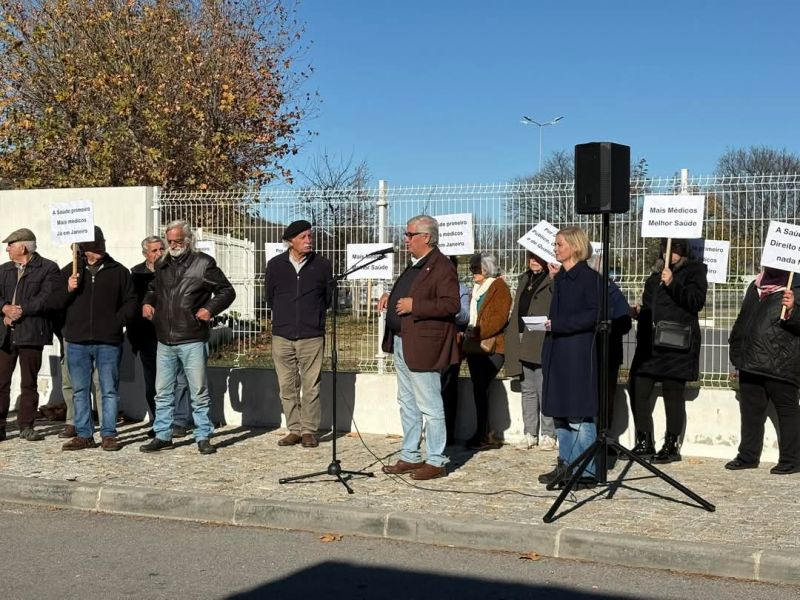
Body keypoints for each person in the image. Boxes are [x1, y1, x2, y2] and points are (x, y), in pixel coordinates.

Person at [140, 220, 235, 455]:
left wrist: (209, 309)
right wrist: (147, 302)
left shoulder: (204, 263)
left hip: (192, 336)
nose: (172, 245)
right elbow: (153, 288)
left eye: (177, 241)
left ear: (188, 240)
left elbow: (226, 291)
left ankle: (203, 435)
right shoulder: (162, 264)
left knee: (198, 391)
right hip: (165, 337)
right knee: (162, 391)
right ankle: (163, 434)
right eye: (169, 241)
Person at [379, 215, 460, 480]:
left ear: (426, 237)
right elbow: (410, 292)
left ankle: (436, 460)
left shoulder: (442, 266)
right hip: (403, 340)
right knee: (407, 402)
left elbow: (451, 305)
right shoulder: (414, 265)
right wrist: (390, 299)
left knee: (430, 404)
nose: (406, 239)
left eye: (410, 234)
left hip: (424, 345)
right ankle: (410, 455)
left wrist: (416, 307)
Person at [50, 226, 137, 451]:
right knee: (80, 390)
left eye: (101, 245)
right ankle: (84, 434)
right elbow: (55, 303)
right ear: (84, 249)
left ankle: (109, 434)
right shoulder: (69, 272)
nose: (99, 250)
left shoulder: (119, 271)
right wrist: (69, 288)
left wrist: (118, 321)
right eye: (94, 247)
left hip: (109, 341)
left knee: (108, 389)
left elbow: (131, 302)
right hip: (77, 341)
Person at [628, 239, 708, 463]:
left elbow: (695, 302)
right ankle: (644, 441)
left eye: (676, 250)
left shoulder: (695, 271)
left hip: (676, 344)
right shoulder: (655, 275)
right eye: (666, 249)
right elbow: (650, 306)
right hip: (650, 346)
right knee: (638, 390)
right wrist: (639, 312)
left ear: (684, 252)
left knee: (673, 395)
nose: (670, 254)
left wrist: (673, 283)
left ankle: (671, 445)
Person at [538, 227, 602, 488]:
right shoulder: (561, 278)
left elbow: (592, 315)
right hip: (557, 353)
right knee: (560, 413)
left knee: (578, 414)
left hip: (577, 354)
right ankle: (566, 464)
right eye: (555, 244)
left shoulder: (589, 278)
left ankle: (586, 471)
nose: (555, 248)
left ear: (575, 246)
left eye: (560, 244)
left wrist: (559, 324)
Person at [265, 220, 332, 448]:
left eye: (310, 236)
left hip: (311, 334)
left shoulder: (322, 265)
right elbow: (270, 297)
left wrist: (313, 318)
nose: (309, 241)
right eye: (303, 237)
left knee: (311, 385)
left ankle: (309, 430)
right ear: (290, 240)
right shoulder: (275, 265)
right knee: (287, 385)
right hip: (282, 334)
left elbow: (327, 298)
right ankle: (293, 429)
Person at [726, 267, 800, 474]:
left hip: (781, 361)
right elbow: (745, 317)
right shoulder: (756, 285)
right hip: (750, 359)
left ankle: (791, 459)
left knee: (787, 411)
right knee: (750, 411)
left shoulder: (795, 285)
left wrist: (793, 309)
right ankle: (748, 456)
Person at [129, 236, 193, 438]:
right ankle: (160, 421)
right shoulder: (135, 274)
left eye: (160, 249)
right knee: (154, 382)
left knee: (180, 378)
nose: (158, 253)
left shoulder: (172, 268)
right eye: (154, 250)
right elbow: (132, 306)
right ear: (145, 254)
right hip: (147, 336)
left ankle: (180, 420)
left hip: (173, 332)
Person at [0, 228, 60, 442]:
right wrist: (5, 307)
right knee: (1, 381)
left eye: (10, 245)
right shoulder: (4, 269)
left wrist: (20, 310)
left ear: (22, 247)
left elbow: (47, 298)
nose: (7, 248)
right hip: (5, 333)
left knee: (29, 382)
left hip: (32, 332)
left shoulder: (48, 268)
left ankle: (26, 425)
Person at [504, 251, 557, 451]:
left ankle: (549, 434)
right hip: (522, 336)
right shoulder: (525, 278)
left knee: (544, 388)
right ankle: (530, 432)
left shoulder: (553, 278)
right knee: (527, 389)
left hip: (542, 337)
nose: (532, 261)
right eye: (530, 257)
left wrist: (554, 278)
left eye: (537, 257)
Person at [463, 253, 511, 450]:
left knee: (482, 386)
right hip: (475, 345)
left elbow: (499, 318)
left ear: (487, 269)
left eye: (477, 268)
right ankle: (483, 431)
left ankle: (483, 433)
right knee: (478, 389)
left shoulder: (498, 287)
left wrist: (477, 332)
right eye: (472, 268)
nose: (473, 272)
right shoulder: (476, 289)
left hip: (493, 346)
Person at [440, 256, 470, 446]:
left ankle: (448, 433)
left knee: (449, 389)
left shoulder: (461, 288)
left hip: (451, 344)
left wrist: (452, 308)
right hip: (430, 343)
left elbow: (465, 315)